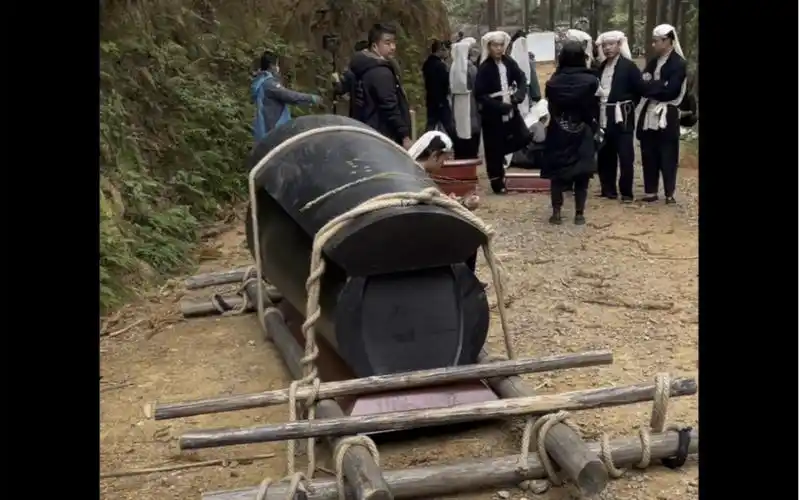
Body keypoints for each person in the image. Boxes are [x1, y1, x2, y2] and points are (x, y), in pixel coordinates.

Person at [541, 41, 599, 225]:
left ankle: (556, 213)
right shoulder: (591, 81)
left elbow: (551, 107)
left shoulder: (553, 82)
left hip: (558, 129)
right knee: (582, 173)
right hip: (582, 128)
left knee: (557, 173)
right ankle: (579, 213)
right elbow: (593, 108)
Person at [474, 31, 530, 194]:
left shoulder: (509, 62)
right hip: (492, 113)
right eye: (495, 45)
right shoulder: (485, 68)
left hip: (511, 107)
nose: (499, 49)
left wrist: (518, 96)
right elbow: (480, 95)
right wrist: (498, 106)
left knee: (523, 136)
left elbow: (521, 78)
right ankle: (497, 181)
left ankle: (506, 155)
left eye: (501, 45)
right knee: (493, 147)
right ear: (489, 47)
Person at [637, 24, 687, 204]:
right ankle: (650, 190)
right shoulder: (654, 61)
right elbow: (642, 83)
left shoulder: (678, 64)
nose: (653, 45)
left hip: (668, 112)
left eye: (656, 41)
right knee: (648, 151)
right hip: (650, 110)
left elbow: (671, 91)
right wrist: (657, 86)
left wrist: (653, 86)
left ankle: (669, 192)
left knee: (667, 152)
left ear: (667, 41)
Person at [594, 30, 642, 202]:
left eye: (611, 45)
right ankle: (608, 189)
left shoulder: (629, 66)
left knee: (625, 155)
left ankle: (626, 192)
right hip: (603, 113)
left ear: (619, 45)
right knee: (605, 153)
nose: (607, 49)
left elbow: (639, 90)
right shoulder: (601, 67)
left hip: (622, 115)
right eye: (604, 45)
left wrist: (627, 105)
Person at [349, 23, 413, 149]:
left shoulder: (362, 66)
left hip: (367, 131)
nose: (393, 47)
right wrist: (404, 135)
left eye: (394, 42)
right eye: (387, 43)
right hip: (384, 135)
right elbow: (389, 106)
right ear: (374, 45)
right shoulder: (380, 73)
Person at [251, 52, 322, 143]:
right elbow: (289, 96)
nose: (278, 68)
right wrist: (311, 98)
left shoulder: (261, 81)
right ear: (272, 66)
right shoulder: (269, 84)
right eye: (277, 64)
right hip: (273, 130)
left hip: (266, 129)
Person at [449, 38, 481, 159]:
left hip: (457, 103)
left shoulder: (453, 67)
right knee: (470, 130)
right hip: (471, 103)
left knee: (459, 128)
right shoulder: (471, 68)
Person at [422, 39, 455, 135]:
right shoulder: (440, 66)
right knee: (449, 125)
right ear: (440, 50)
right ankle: (458, 145)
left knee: (431, 125)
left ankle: (426, 145)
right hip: (440, 100)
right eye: (444, 50)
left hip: (431, 99)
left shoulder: (427, 63)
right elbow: (445, 82)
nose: (447, 53)